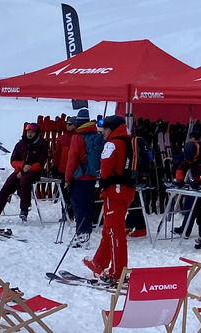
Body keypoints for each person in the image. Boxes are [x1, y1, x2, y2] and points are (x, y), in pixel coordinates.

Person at [83, 116, 135, 283]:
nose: (102, 132)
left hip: (114, 192)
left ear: (112, 129)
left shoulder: (112, 144)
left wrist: (103, 181)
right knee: (109, 228)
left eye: (104, 129)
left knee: (114, 232)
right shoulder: (129, 141)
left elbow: (105, 167)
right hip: (126, 191)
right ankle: (99, 262)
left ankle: (117, 272)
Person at [0, 122, 49, 224]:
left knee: (25, 181)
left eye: (32, 132)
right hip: (19, 170)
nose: (29, 134)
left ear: (36, 134)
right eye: (28, 132)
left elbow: (41, 163)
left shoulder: (42, 145)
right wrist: (22, 167)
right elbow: (13, 160)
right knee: (6, 188)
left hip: (34, 172)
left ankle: (24, 209)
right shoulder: (20, 144)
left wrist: (26, 170)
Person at [64, 109, 103, 248]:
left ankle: (81, 236)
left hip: (79, 176)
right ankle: (87, 233)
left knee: (79, 206)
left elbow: (72, 158)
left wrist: (67, 178)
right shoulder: (97, 135)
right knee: (88, 205)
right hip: (92, 176)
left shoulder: (77, 137)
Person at [50, 111, 79, 221]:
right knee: (64, 193)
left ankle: (73, 214)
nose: (67, 126)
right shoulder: (62, 138)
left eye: (70, 124)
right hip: (63, 170)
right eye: (67, 124)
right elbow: (57, 154)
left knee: (74, 194)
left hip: (75, 171)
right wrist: (54, 167)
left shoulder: (79, 137)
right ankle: (66, 214)